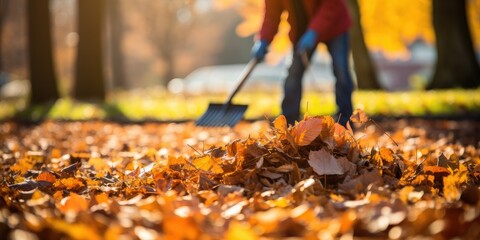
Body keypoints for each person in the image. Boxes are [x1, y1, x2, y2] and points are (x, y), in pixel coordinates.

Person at [251, 0, 354, 126]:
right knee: (293, 73)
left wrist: (314, 31)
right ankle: (288, 123)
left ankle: (345, 123)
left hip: (334, 26)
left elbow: (332, 4)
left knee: (341, 70)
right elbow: (272, 14)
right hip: (302, 31)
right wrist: (263, 39)